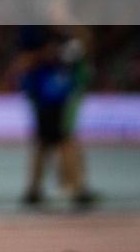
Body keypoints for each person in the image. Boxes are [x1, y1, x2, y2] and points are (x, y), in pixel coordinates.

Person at [13, 11, 98, 208]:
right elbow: (23, 62)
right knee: (52, 141)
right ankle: (63, 188)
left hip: (63, 95)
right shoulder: (34, 33)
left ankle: (68, 187)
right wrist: (47, 53)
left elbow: (88, 42)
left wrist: (71, 24)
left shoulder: (69, 33)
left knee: (62, 139)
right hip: (42, 94)